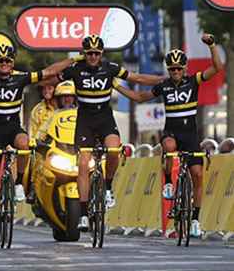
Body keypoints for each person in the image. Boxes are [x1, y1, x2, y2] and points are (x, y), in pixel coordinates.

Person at [113, 33, 222, 238]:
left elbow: (216, 68)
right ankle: (169, 182)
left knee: (198, 175)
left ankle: (196, 220)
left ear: (185, 68)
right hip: (171, 131)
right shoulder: (163, 85)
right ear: (168, 69)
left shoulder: (194, 81)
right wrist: (116, 86)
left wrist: (212, 45)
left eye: (179, 68)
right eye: (172, 69)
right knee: (169, 147)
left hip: (190, 135)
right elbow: (139, 97)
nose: (175, 72)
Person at [0, 44, 74, 239]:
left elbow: (48, 72)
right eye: (1, 61)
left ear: (12, 63)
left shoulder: (20, 78)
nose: (4, 64)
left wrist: (72, 60)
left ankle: (20, 182)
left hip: (13, 128)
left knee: (25, 143)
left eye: (8, 61)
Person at [55, 35, 162, 233]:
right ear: (84, 54)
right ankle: (84, 214)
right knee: (83, 164)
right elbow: (52, 75)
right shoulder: (75, 70)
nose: (93, 57)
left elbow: (137, 78)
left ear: (102, 53)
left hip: (105, 119)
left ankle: (108, 187)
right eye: (89, 54)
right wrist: (72, 60)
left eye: (97, 53)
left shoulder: (110, 68)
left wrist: (164, 79)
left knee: (113, 150)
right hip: (85, 121)